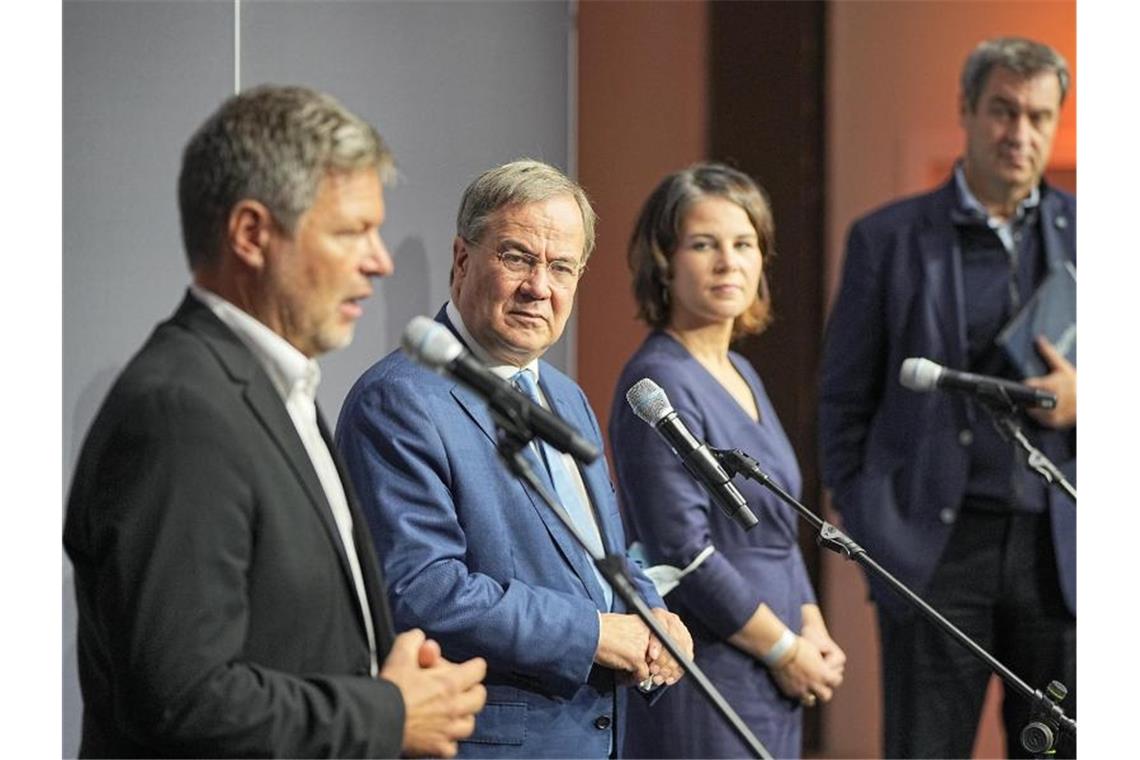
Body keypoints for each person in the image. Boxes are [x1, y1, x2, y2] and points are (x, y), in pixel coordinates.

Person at [63, 85, 487, 758]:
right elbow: (186, 699)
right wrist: (387, 712)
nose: (380, 260)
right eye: (351, 231)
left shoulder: (273, 383)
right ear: (253, 234)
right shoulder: (180, 412)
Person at [336, 159, 694, 758]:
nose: (539, 287)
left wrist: (653, 614)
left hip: (596, 738)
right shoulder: (398, 399)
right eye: (517, 258)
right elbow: (422, 590)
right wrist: (595, 634)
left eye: (561, 267)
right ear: (461, 259)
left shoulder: (566, 398)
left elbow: (600, 555)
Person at [819, 37, 1076, 758]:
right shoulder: (886, 239)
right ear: (966, 110)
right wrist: (868, 517)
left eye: (1037, 115)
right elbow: (843, 399)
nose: (1018, 134)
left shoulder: (1100, 235)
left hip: (1062, 558)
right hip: (932, 549)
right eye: (1002, 110)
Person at [608, 163, 845, 759]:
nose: (728, 262)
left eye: (743, 245)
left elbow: (779, 527)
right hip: (714, 667)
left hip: (776, 668)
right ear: (664, 260)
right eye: (703, 244)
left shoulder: (744, 373)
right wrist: (783, 649)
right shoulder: (658, 379)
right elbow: (681, 552)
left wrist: (811, 626)